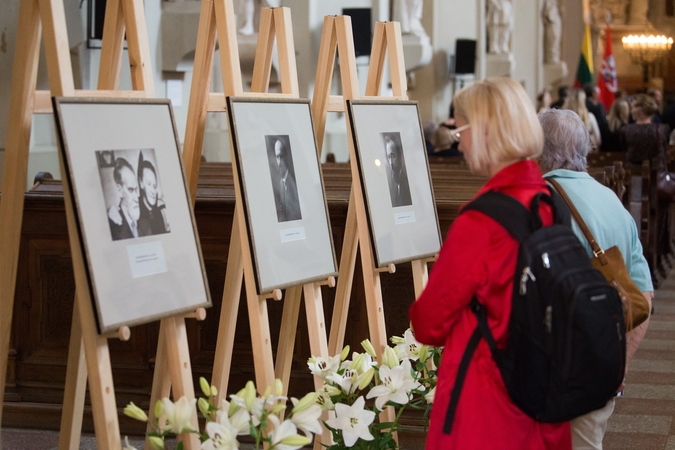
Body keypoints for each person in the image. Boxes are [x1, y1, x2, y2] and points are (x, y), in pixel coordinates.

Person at [409, 77, 571, 449]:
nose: (459, 142)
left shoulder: (481, 221)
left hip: (489, 402)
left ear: (484, 132)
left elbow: (430, 323)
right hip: (545, 391)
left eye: (460, 129)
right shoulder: (548, 200)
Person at [539, 109, 653, 450]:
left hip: (547, 371)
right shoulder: (612, 202)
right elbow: (643, 297)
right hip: (601, 367)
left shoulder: (535, 200)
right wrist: (620, 364)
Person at [108, 157, 147, 241]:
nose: (137, 198)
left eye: (136, 189)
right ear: (120, 190)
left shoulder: (144, 223)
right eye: (130, 190)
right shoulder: (113, 228)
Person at [269, 137, 302, 222]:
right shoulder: (280, 182)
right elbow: (281, 211)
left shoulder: (295, 181)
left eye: (281, 156)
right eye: (277, 157)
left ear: (286, 156)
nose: (279, 162)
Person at [137, 155, 169, 235]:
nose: (153, 191)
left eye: (154, 186)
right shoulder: (135, 209)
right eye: (148, 184)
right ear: (141, 183)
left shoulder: (160, 211)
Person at [383, 134, 413, 207]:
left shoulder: (407, 184)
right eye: (388, 157)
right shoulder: (392, 186)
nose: (390, 163)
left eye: (392, 156)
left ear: (400, 157)